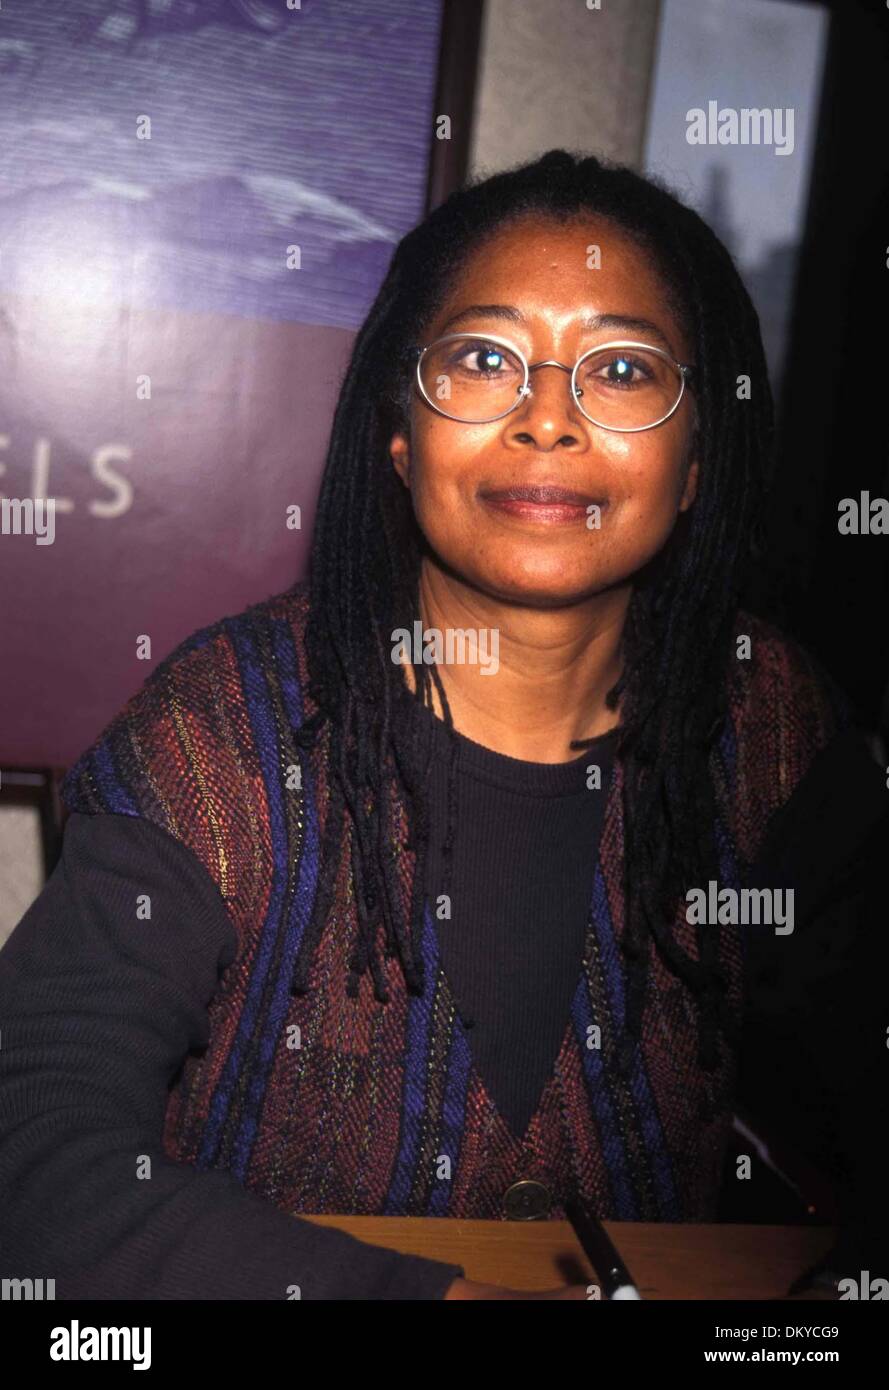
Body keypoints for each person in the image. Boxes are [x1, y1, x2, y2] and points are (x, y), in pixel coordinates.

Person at [1, 149, 886, 1301]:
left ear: (695, 464)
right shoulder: (219, 736)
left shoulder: (766, 728)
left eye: (620, 370)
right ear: (401, 431)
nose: (548, 420)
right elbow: (34, 1149)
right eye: (483, 358)